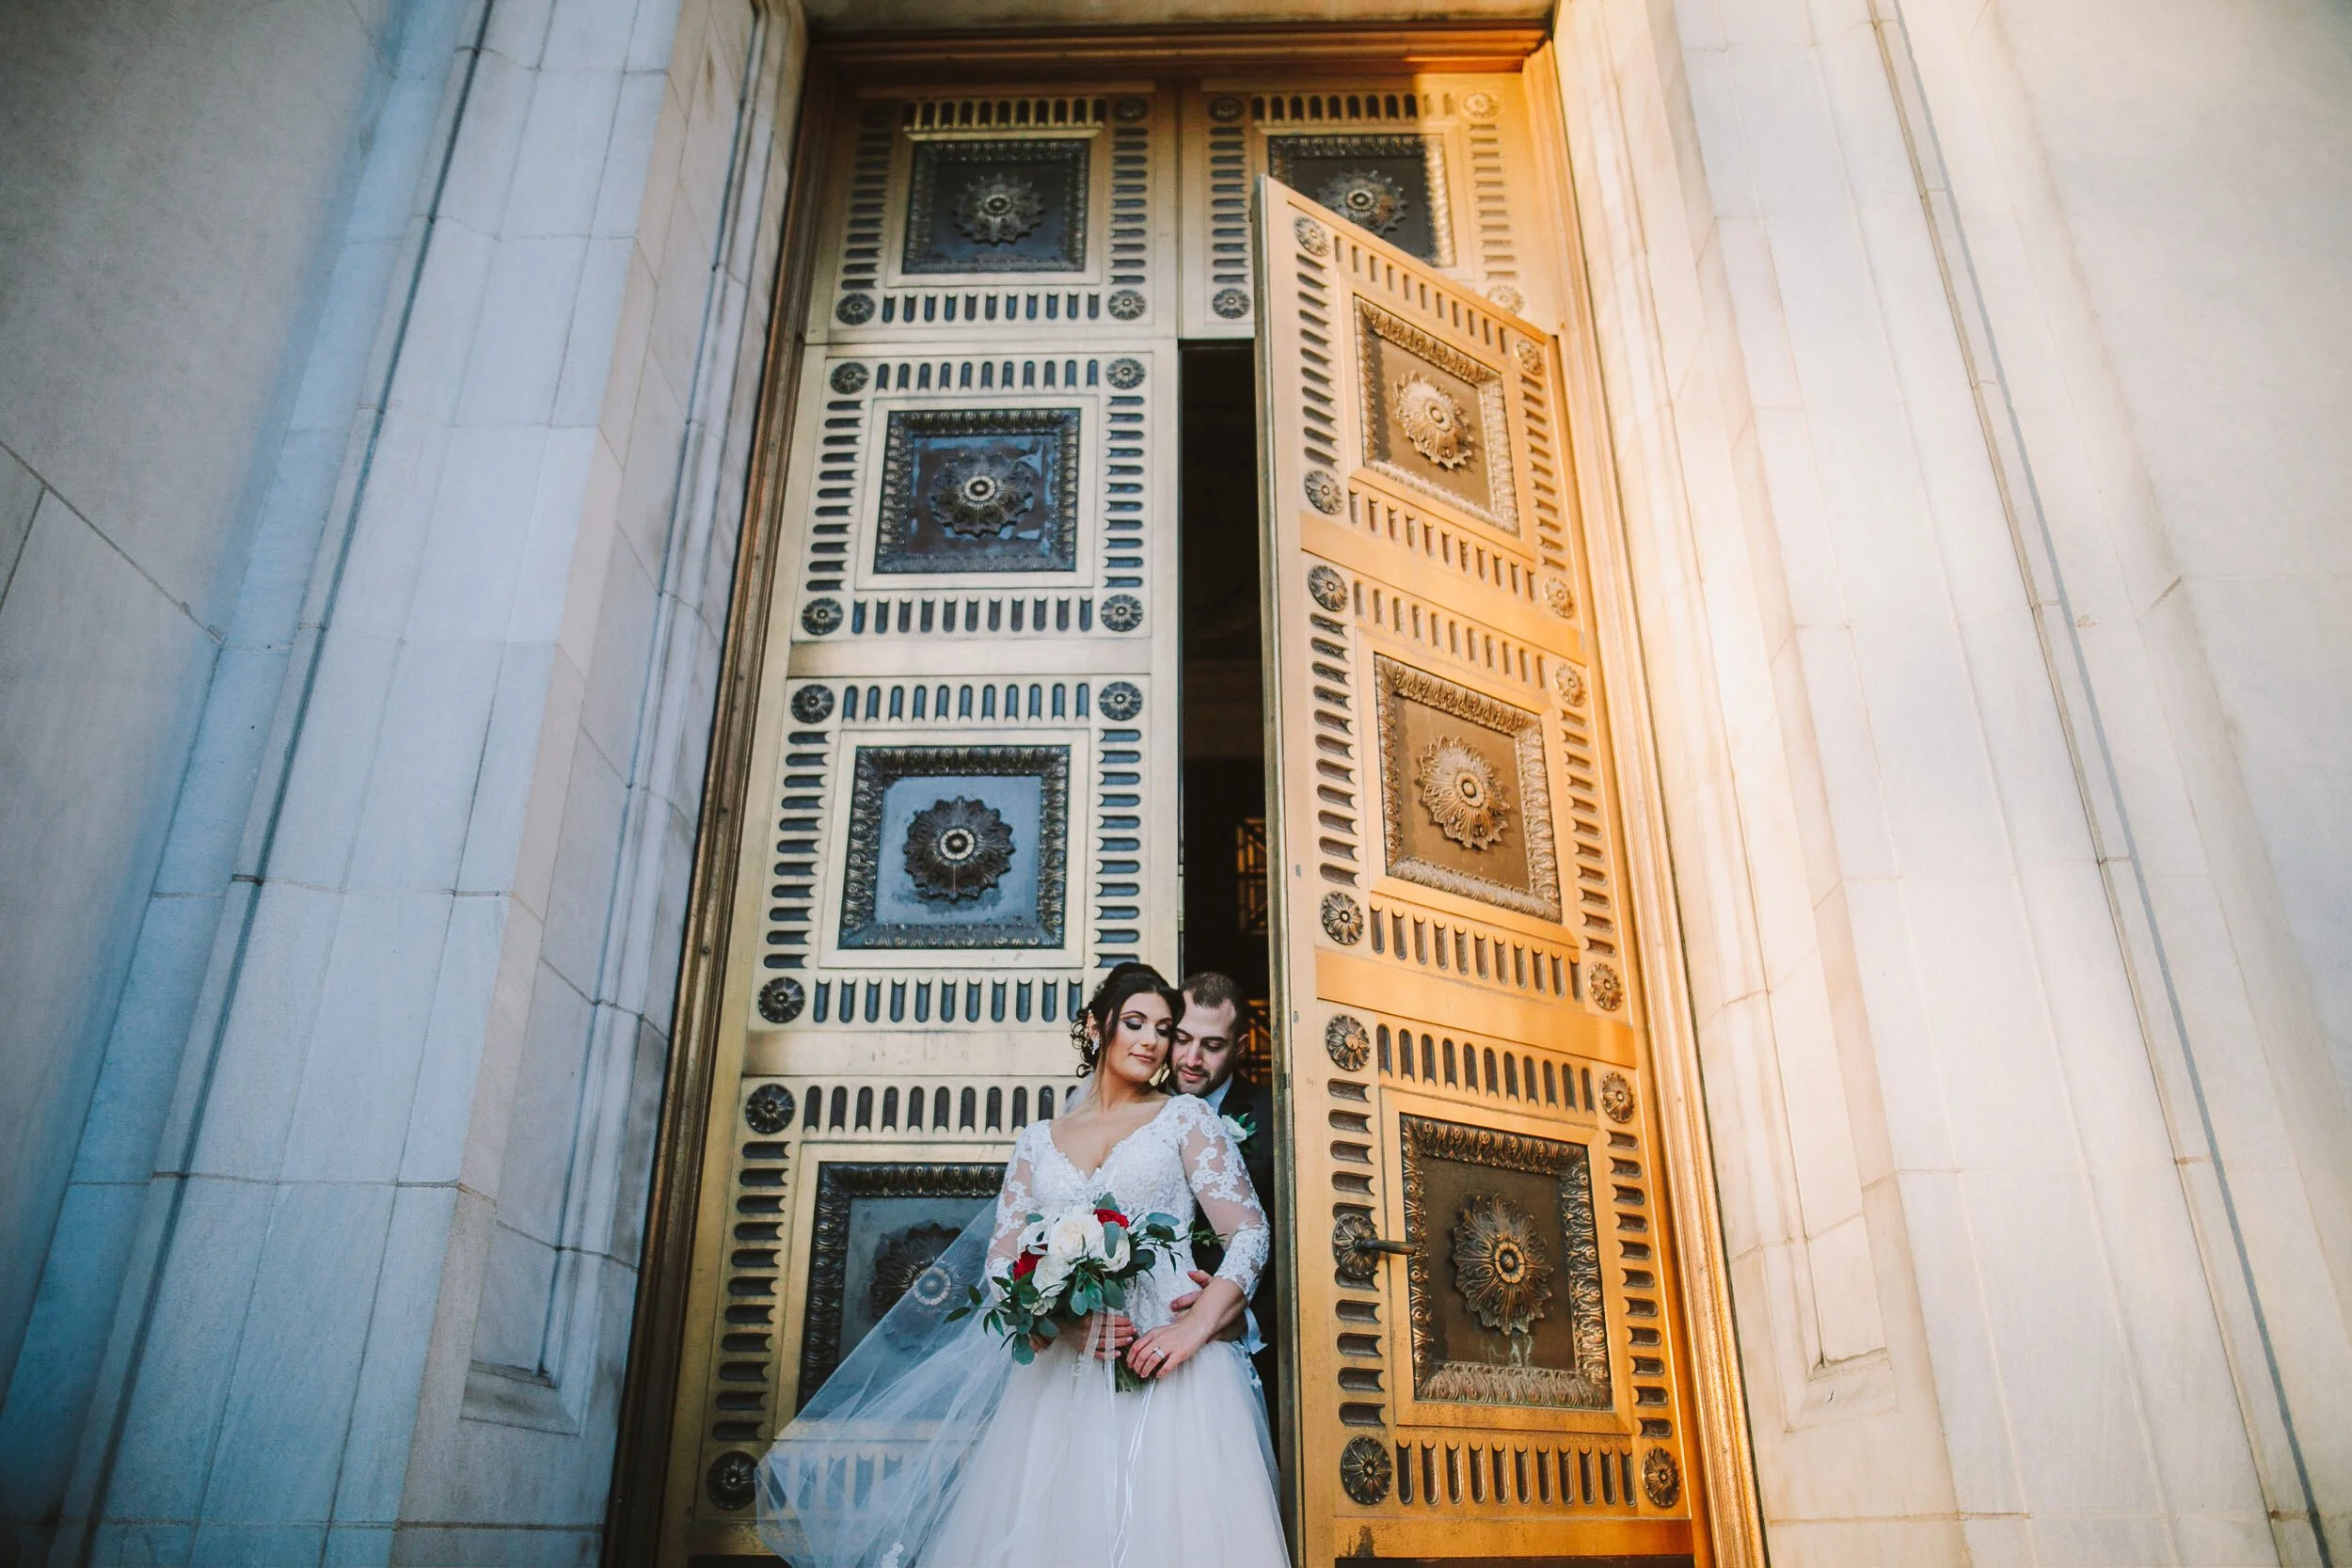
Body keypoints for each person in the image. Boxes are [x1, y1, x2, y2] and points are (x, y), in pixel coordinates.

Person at [757, 963, 1288, 1568]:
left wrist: (1193, 1329)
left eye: (1164, 1029)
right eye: (1135, 1023)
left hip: (1172, 1370)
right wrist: (1062, 1321)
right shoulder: (1040, 1139)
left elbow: (1248, 1232)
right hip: (1065, 1379)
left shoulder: (1185, 1119)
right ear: (1096, 1027)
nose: (1152, 1042)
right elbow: (1004, 1262)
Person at [1165, 971, 1283, 1447]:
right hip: (1138, 1335)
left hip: (1236, 1355)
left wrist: (1244, 1319)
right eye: (1181, 1039)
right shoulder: (1136, 1110)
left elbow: (1307, 1242)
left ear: (1239, 1045)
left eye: (1211, 1045)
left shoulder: (1279, 1119)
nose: (1191, 1060)